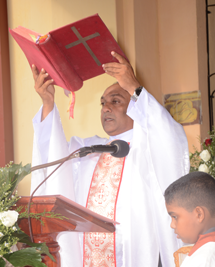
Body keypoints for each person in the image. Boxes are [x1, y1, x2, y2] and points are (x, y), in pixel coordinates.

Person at [31, 51, 189, 267]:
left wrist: (135, 87)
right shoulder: (87, 151)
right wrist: (48, 102)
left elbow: (169, 136)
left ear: (134, 106)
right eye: (103, 103)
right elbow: (52, 157)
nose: (106, 108)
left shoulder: (148, 146)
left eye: (116, 101)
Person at [164, 172, 215, 267]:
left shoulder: (206, 260)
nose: (172, 225)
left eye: (175, 217)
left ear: (199, 214)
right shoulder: (213, 249)